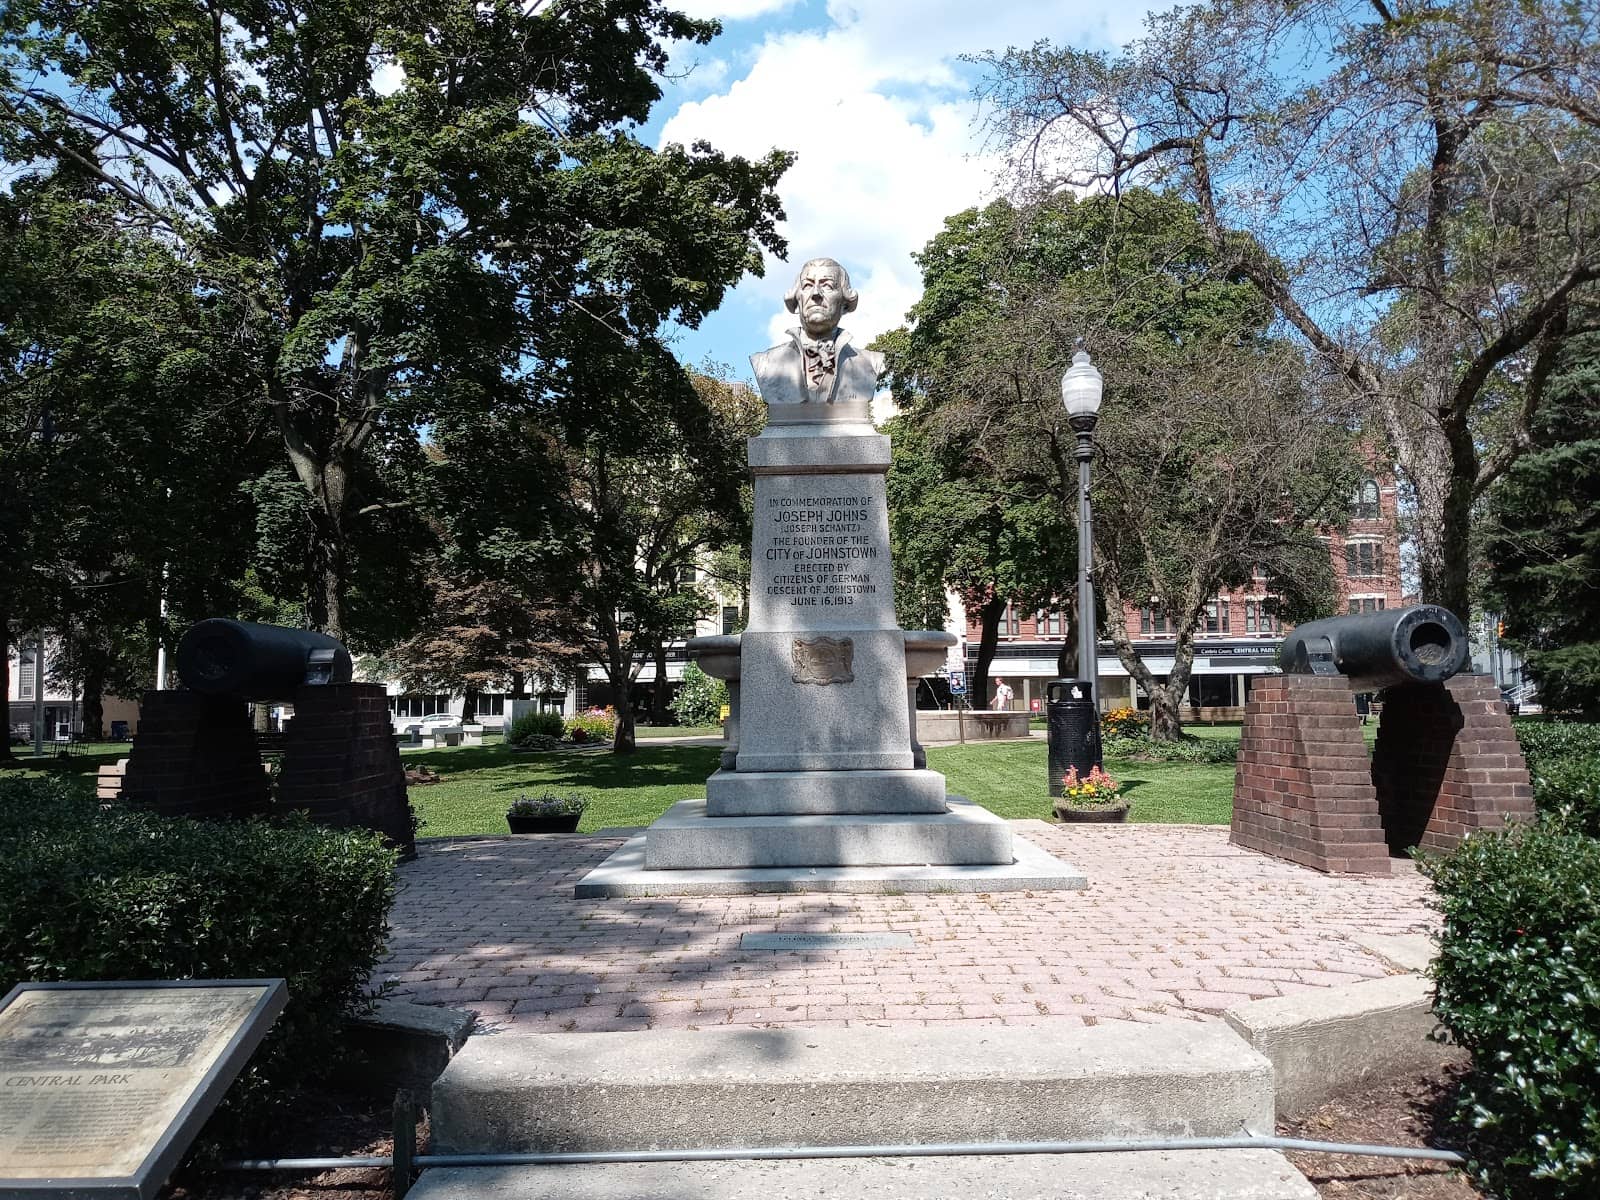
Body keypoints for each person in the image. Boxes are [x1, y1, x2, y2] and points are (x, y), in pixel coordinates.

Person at [750, 257, 884, 405]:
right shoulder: (766, 363)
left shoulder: (868, 364)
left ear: (844, 302)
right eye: (807, 285)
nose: (816, 293)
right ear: (796, 298)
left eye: (827, 285)